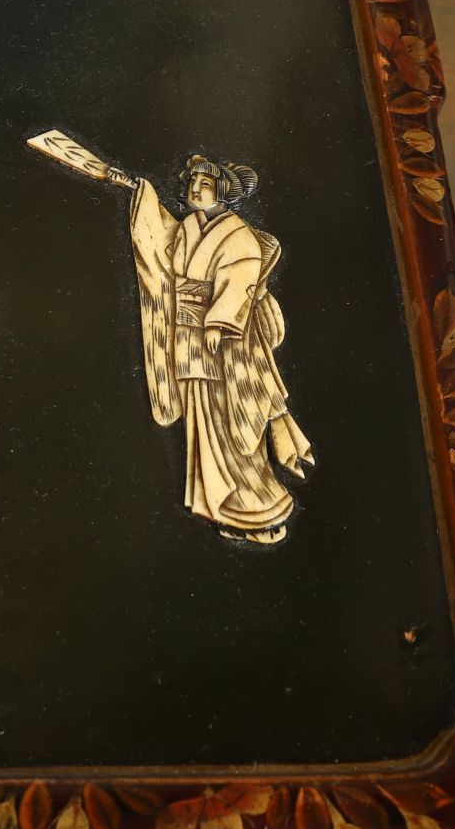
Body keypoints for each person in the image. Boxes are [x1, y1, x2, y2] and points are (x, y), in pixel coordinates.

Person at [106, 155, 313, 542]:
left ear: (224, 191)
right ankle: (225, 510)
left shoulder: (239, 237)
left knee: (234, 423)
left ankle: (261, 510)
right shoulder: (188, 227)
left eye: (204, 184)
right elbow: (160, 239)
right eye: (192, 183)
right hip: (190, 337)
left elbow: (240, 279)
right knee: (204, 423)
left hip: (226, 343)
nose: (195, 189)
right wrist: (137, 189)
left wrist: (218, 323)